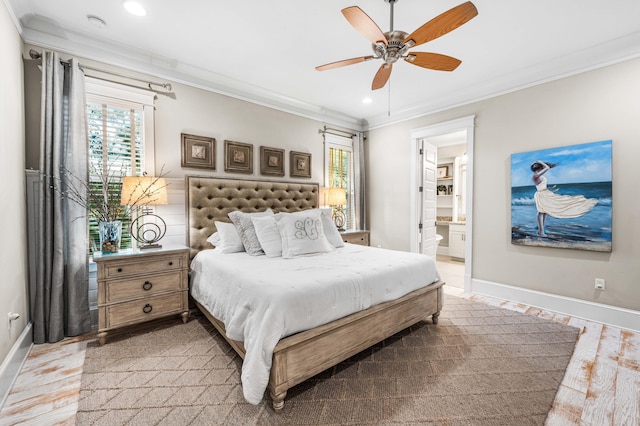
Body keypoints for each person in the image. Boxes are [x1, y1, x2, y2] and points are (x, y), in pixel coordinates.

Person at [530, 160, 597, 236]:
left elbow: (544, 175)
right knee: (541, 212)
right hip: (541, 194)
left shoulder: (537, 175)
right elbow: (547, 168)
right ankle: (541, 231)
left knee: (544, 211)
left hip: (545, 193)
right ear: (538, 169)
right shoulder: (536, 175)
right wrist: (541, 162)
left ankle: (540, 228)